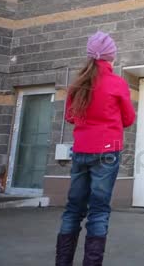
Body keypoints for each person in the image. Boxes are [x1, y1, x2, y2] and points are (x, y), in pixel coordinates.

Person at [56, 31, 136, 266]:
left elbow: (70, 116)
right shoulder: (117, 83)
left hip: (81, 151)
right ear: (111, 57)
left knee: (73, 209)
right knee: (99, 211)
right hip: (107, 152)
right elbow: (129, 119)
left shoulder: (78, 84)